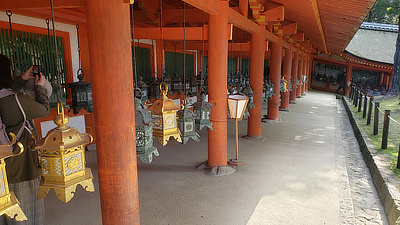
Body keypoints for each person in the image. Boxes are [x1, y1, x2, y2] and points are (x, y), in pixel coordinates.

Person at [0, 54, 50, 225]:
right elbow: (43, 109)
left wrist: (21, 79)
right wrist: (40, 88)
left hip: (2, 166)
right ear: (7, 73)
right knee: (25, 209)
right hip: (20, 164)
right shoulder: (17, 100)